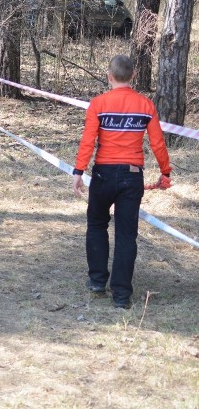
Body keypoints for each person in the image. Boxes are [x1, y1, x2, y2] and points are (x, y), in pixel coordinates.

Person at [72, 54, 172, 309]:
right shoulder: (145, 104)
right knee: (127, 235)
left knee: (96, 224)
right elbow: (158, 142)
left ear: (109, 76)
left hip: (103, 174)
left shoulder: (98, 103)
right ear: (133, 76)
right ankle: (121, 295)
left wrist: (78, 171)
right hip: (131, 175)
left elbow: (88, 140)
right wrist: (165, 171)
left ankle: (97, 280)